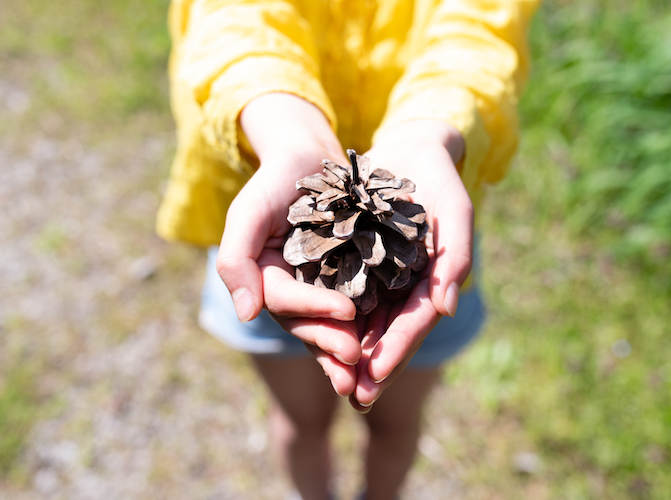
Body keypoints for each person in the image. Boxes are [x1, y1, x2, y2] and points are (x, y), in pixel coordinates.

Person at [156, 1, 538, 499]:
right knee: (300, 420)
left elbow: (479, 29)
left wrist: (429, 129)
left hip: (435, 230)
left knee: (396, 424)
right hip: (268, 229)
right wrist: (285, 124)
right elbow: (231, 17)